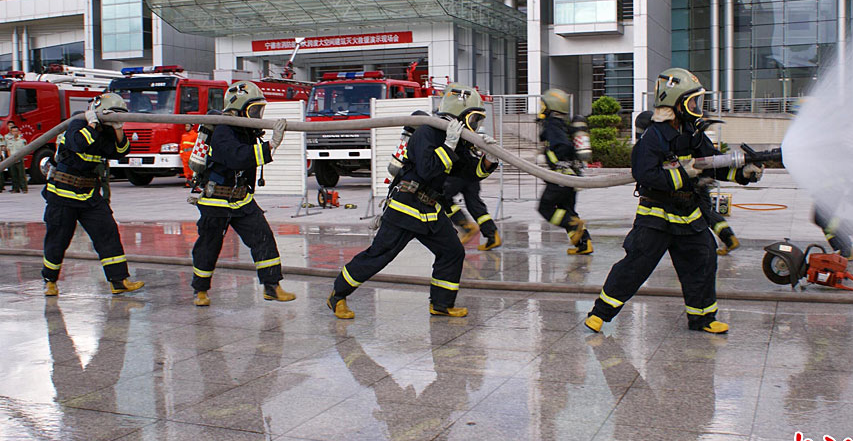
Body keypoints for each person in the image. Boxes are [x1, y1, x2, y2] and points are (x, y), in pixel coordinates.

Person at [584, 68, 762, 335]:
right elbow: (645, 174)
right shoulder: (653, 137)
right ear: (675, 103)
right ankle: (600, 314)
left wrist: (742, 174)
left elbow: (713, 164)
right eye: (692, 102)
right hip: (656, 215)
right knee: (636, 265)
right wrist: (683, 173)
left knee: (703, 261)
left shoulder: (693, 133)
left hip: (689, 214)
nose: (696, 108)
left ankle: (703, 318)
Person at [328, 83, 498, 319]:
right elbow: (428, 170)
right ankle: (337, 295)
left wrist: (489, 158)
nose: (476, 125)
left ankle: (441, 304)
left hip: (430, 209)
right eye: (475, 119)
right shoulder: (427, 132)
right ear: (460, 114)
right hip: (406, 207)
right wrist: (448, 146)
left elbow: (469, 173)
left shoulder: (456, 140)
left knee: (452, 251)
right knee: (380, 255)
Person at [190, 80, 295, 306]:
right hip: (216, 199)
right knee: (208, 246)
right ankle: (200, 290)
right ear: (238, 108)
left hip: (241, 199)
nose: (258, 116)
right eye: (254, 110)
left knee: (263, 238)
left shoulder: (244, 130)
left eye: (259, 110)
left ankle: (272, 287)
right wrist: (270, 146)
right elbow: (237, 157)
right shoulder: (223, 129)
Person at [41, 93, 144, 297]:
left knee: (108, 233)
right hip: (63, 193)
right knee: (58, 239)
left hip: (89, 195)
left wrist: (118, 129)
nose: (115, 119)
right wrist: (93, 124)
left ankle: (118, 281)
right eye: (113, 115)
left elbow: (120, 152)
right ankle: (50, 281)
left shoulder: (106, 132)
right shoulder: (78, 123)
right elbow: (79, 143)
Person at [637, 110, 738, 256]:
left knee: (704, 211)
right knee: (705, 210)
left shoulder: (671, 137)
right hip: (695, 179)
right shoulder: (665, 136)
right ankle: (727, 237)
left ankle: (728, 238)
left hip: (694, 182)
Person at [536, 88, 592, 255]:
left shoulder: (552, 125)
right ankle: (584, 244)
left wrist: (557, 159)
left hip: (560, 177)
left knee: (545, 208)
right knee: (568, 210)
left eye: (543, 105)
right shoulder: (563, 126)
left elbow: (563, 146)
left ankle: (572, 225)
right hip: (571, 177)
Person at [1, 123, 29, 193]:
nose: (14, 133)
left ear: (18, 132)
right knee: (13, 175)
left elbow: (25, 150)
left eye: (16, 131)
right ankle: (15, 188)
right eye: (13, 131)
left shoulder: (22, 140)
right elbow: (8, 149)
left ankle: (24, 188)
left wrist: (20, 157)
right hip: (12, 159)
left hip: (19, 159)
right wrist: (10, 158)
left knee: (21, 175)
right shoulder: (9, 140)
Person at [179, 122, 197, 187]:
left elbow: (196, 145)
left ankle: (193, 182)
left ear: (192, 127)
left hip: (191, 154)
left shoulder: (195, 135)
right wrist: (181, 154)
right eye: (186, 126)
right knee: (186, 170)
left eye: (188, 126)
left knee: (192, 169)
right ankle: (188, 183)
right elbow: (181, 146)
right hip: (185, 155)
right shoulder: (184, 135)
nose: (186, 127)